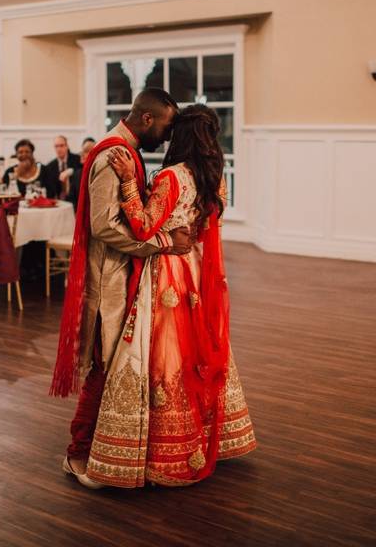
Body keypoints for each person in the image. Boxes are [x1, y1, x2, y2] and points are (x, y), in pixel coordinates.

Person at [84, 103, 257, 488]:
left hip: (166, 274)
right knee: (195, 351)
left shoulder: (171, 177)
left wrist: (130, 182)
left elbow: (144, 226)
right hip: (196, 270)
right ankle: (207, 434)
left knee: (164, 357)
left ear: (179, 135)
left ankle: (166, 448)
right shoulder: (216, 177)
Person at [50, 88, 194, 488]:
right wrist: (163, 243)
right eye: (165, 125)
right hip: (106, 280)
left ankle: (105, 446)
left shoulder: (128, 154)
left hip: (124, 274)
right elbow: (103, 226)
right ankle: (77, 453)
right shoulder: (112, 155)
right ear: (147, 119)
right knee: (104, 365)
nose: (167, 134)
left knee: (116, 366)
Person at [42, 135, 82, 200]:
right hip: (60, 201)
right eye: (56, 146)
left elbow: (83, 171)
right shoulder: (50, 166)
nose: (59, 149)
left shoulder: (77, 159)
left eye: (61, 145)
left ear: (67, 146)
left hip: (76, 198)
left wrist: (71, 171)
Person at [67, 137, 96, 208]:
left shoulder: (99, 174)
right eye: (82, 150)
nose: (81, 154)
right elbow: (71, 199)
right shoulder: (77, 174)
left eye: (86, 151)